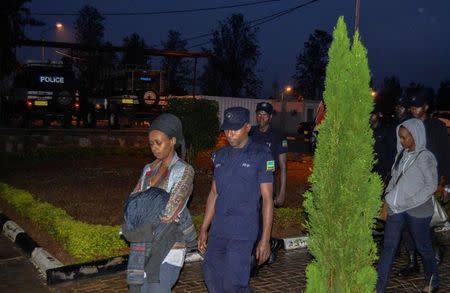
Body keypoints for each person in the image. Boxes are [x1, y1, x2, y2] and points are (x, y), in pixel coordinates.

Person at [198, 107, 274, 292]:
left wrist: (265, 239)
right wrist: (204, 228)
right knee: (211, 276)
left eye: (235, 129)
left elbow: (267, 199)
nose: (229, 134)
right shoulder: (220, 156)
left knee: (234, 284)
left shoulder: (261, 154)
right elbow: (214, 193)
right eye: (227, 129)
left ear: (247, 127)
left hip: (243, 232)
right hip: (219, 229)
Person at [130, 113, 196, 293]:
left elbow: (169, 211)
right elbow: (131, 205)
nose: (154, 148)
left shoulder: (185, 171)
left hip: (170, 248)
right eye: (151, 143)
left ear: (173, 140)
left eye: (158, 142)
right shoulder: (149, 169)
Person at [376, 118, 439, 293]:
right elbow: (394, 178)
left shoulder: (426, 157)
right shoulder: (401, 155)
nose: (402, 141)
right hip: (397, 209)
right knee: (389, 247)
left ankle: (433, 280)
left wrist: (409, 202)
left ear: (416, 136)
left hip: (418, 210)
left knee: (423, 247)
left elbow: (431, 186)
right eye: (400, 137)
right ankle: (379, 288)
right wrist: (388, 195)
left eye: (405, 138)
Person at [397, 90, 450, 277]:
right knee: (406, 224)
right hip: (409, 183)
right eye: (411, 106)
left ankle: (434, 249)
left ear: (426, 106)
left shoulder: (436, 127)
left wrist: (447, 185)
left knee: (423, 224)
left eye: (417, 105)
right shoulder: (407, 126)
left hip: (430, 183)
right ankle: (413, 262)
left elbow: (445, 154)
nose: (413, 109)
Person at [250, 102, 288, 207]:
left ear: (270, 117)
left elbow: (283, 166)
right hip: (249, 182)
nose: (261, 117)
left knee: (264, 218)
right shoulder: (249, 132)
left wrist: (282, 192)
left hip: (268, 182)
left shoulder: (278, 136)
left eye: (265, 115)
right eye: (259, 114)